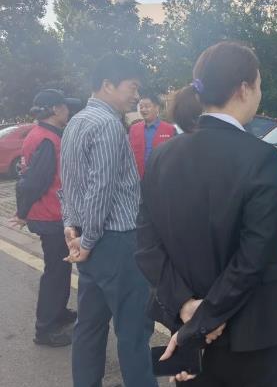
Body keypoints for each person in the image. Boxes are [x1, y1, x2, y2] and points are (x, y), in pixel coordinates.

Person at [135, 42, 277, 386]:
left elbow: (146, 244)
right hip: (252, 334)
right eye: (259, 84)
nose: (259, 93)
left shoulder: (161, 157)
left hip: (187, 332)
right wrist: (207, 315)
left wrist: (186, 306)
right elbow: (253, 255)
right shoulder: (261, 157)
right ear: (244, 88)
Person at [60, 54, 158, 387]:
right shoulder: (107, 125)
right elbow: (100, 188)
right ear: (107, 85)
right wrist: (87, 241)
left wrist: (71, 228)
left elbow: (69, 182)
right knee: (133, 331)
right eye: (132, 87)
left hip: (88, 240)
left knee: (89, 326)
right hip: (116, 241)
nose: (136, 96)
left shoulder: (75, 122)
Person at [11, 89, 81, 347]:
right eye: (65, 106)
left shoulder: (43, 134)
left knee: (60, 269)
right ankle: (45, 329)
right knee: (55, 272)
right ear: (54, 109)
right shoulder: (47, 139)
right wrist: (22, 213)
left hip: (52, 213)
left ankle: (58, 313)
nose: (68, 111)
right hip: (51, 216)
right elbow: (35, 181)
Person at [129, 93, 176, 178]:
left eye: (147, 106)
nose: (143, 110)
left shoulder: (170, 129)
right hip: (138, 178)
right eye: (141, 107)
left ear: (157, 108)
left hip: (161, 178)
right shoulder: (133, 129)